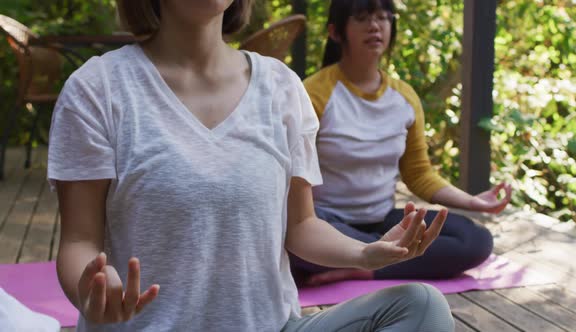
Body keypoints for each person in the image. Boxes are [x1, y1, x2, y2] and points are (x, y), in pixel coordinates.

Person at [48, 0, 455, 331]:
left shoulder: (281, 87)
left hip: (273, 325)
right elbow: (78, 241)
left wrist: (365, 254)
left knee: (420, 308)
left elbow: (300, 226)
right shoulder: (98, 89)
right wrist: (92, 294)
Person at [292, 0, 513, 285]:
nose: (375, 26)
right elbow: (292, 178)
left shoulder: (404, 98)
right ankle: (370, 254)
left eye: (384, 17)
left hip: (384, 220)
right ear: (336, 32)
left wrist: (472, 201)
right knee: (289, 237)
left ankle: (364, 265)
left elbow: (419, 174)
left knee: (474, 240)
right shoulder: (312, 93)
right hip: (324, 222)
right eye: (362, 18)